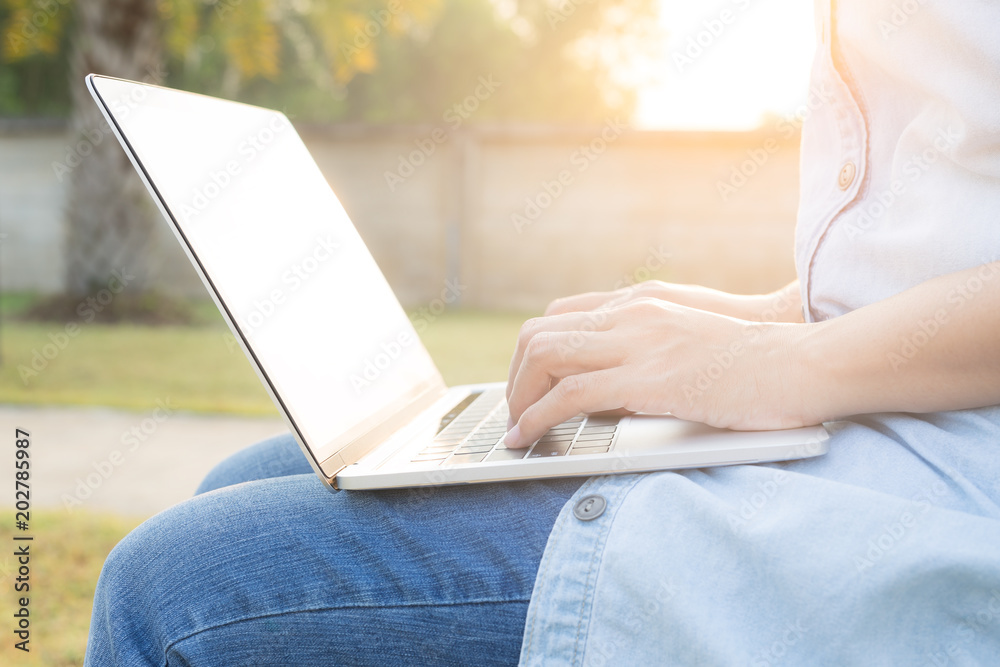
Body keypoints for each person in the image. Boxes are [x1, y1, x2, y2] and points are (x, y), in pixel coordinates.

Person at [85, 1, 1000, 664]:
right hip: (876, 394)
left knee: (172, 591)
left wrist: (785, 362)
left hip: (941, 474)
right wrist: (750, 316)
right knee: (240, 482)